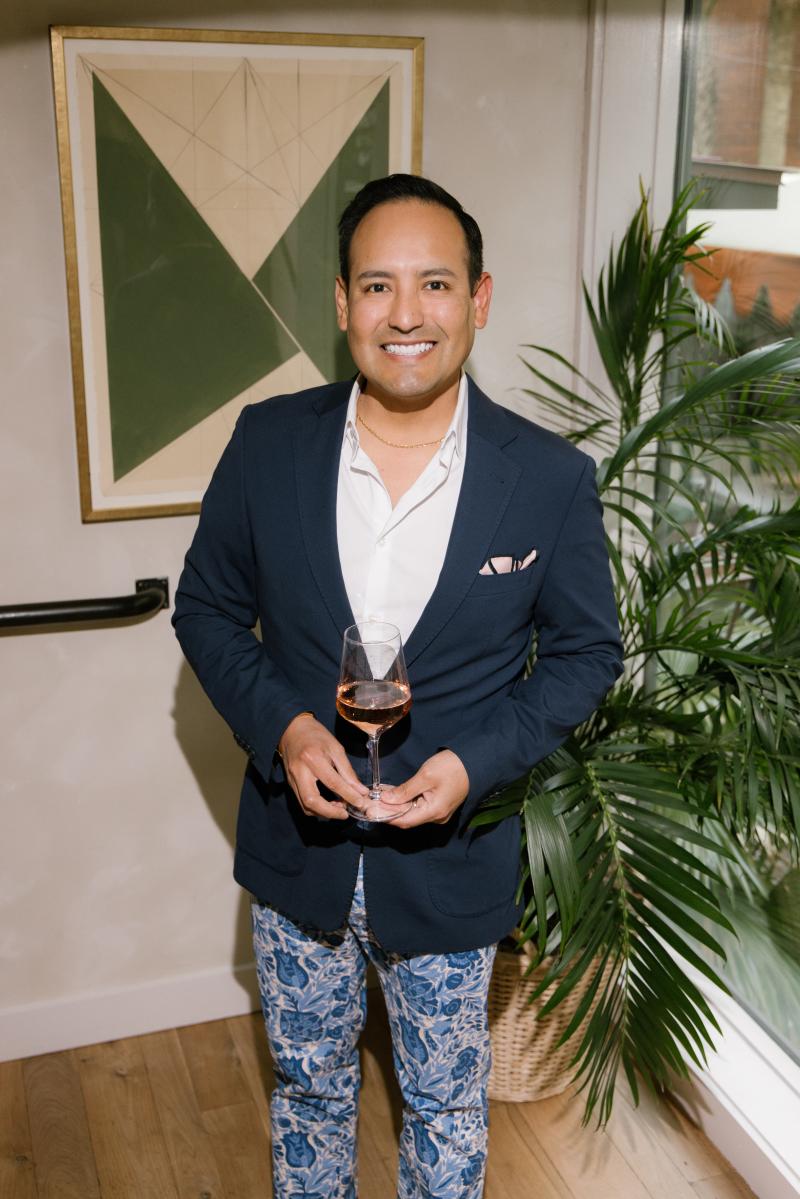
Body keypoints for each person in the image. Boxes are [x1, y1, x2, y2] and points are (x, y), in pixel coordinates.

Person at [173, 173, 623, 1198]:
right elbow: (204, 609)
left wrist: (474, 762)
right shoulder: (266, 443)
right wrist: (285, 728)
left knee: (446, 1107)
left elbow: (586, 653)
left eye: (435, 283)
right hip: (298, 858)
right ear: (342, 303)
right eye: (378, 285)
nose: (406, 314)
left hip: (453, 865)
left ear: (479, 298)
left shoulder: (549, 479)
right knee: (309, 1088)